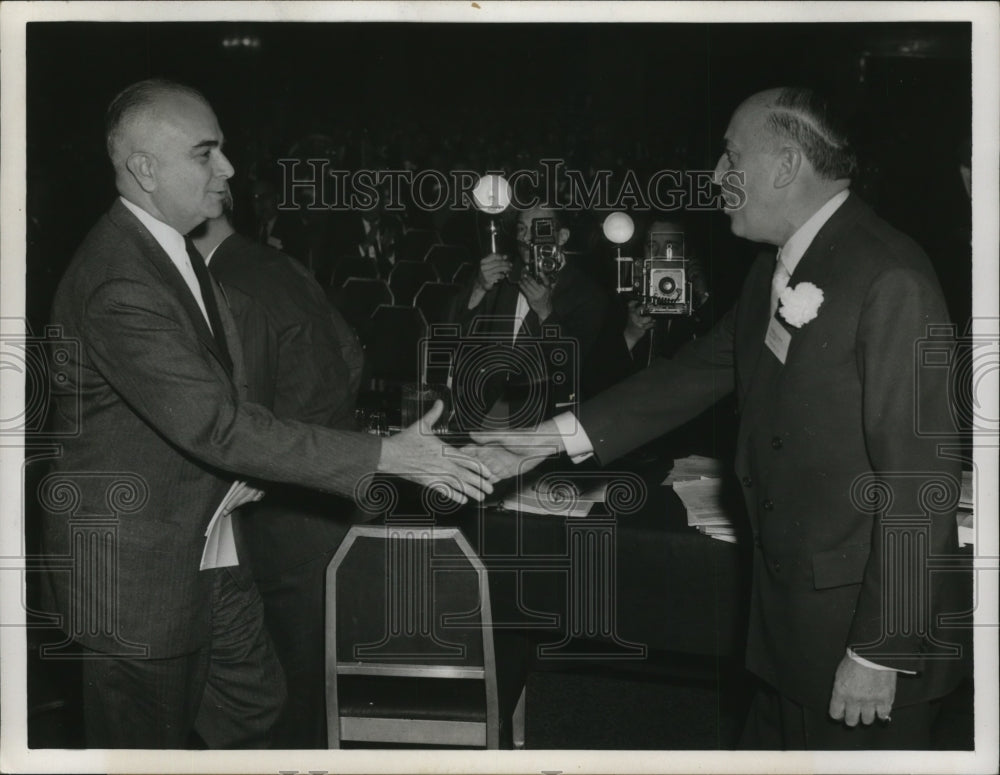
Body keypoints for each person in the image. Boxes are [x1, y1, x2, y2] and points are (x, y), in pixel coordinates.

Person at [471, 88, 964, 749]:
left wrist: (880, 650)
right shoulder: (774, 270)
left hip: (858, 646)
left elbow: (917, 479)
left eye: (732, 157)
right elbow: (689, 377)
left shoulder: (889, 277)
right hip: (787, 631)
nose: (715, 177)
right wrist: (540, 442)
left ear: (787, 165)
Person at [40, 79, 496, 749]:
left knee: (256, 716)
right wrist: (384, 454)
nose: (226, 169)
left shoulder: (170, 251)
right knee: (143, 753)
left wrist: (243, 471)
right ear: (144, 168)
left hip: (208, 546)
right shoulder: (119, 282)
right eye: (205, 153)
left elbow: (224, 403)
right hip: (137, 578)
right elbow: (215, 425)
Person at [191, 189, 364, 747]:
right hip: (321, 508)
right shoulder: (274, 264)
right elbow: (352, 352)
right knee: (309, 695)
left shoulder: (229, 285)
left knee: (279, 709)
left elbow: (240, 423)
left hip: (277, 524)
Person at [444, 205, 609, 432]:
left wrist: (545, 313)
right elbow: (451, 337)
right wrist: (478, 289)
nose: (527, 237)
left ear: (562, 236)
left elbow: (575, 368)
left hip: (544, 424)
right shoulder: (500, 274)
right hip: (481, 415)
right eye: (521, 229)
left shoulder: (587, 294)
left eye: (539, 229)